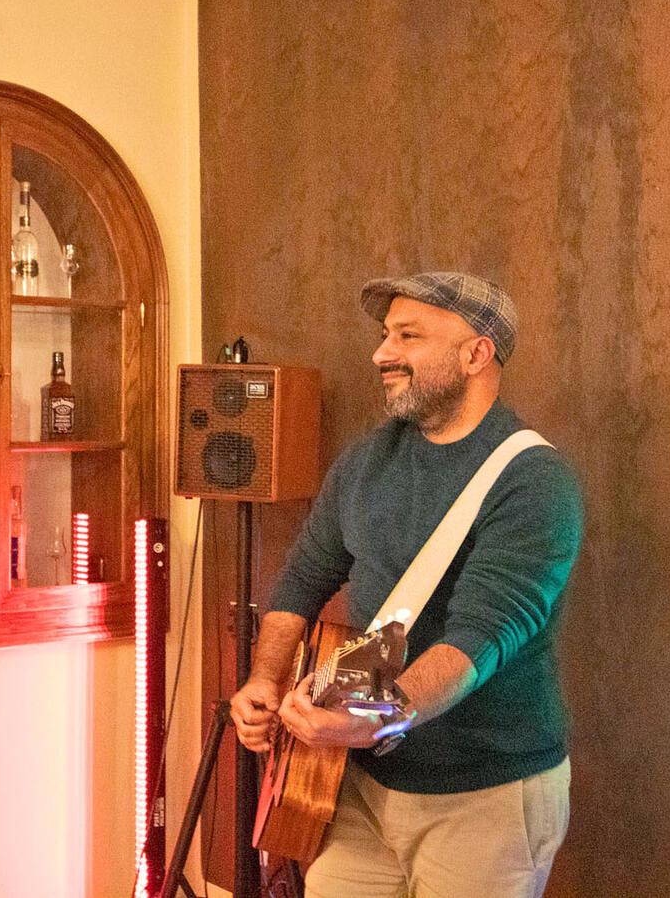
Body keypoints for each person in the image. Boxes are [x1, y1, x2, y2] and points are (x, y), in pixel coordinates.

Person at [231, 272, 583, 898]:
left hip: (484, 795)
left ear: (476, 353)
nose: (381, 353)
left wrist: (372, 720)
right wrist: (265, 677)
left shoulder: (534, 482)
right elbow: (303, 577)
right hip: (358, 785)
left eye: (408, 335)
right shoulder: (368, 460)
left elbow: (477, 643)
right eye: (385, 333)